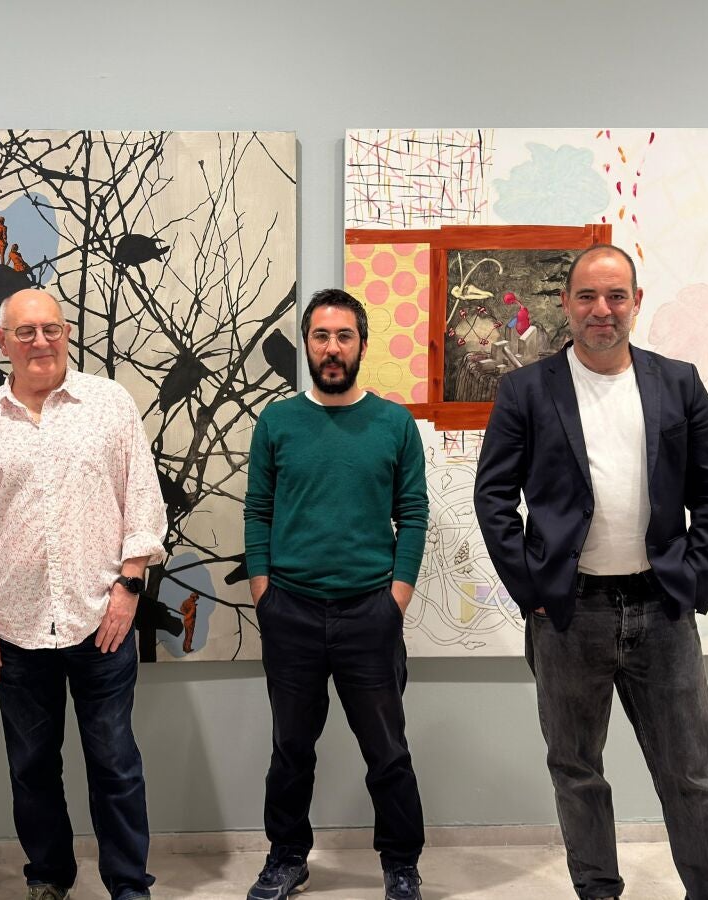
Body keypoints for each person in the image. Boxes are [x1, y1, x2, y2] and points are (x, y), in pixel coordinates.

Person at [473, 245, 708, 900]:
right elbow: (494, 497)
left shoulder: (678, 382)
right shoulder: (526, 390)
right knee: (577, 771)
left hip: (662, 608)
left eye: (616, 296)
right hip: (569, 613)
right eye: (588, 295)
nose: (602, 309)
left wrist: (693, 578)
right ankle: (598, 892)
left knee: (691, 773)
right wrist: (532, 588)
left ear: (636, 303)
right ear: (566, 303)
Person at [0, 288, 167, 900]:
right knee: (31, 766)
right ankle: (48, 876)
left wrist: (129, 588)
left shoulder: (110, 404)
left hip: (102, 619)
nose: (40, 341)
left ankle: (128, 885)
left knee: (115, 763)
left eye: (51, 328)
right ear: (2, 342)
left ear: (67, 332)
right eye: (25, 332)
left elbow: (144, 506)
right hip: (14, 627)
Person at [243, 288, 429, 900]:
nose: (332, 347)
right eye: (321, 336)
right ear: (307, 345)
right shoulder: (277, 422)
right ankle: (286, 857)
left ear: (361, 346)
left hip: (370, 612)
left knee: (387, 751)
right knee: (290, 749)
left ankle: (401, 864)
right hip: (290, 611)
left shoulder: (394, 424)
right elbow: (258, 511)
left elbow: (413, 513)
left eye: (343, 336)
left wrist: (397, 596)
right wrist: (264, 592)